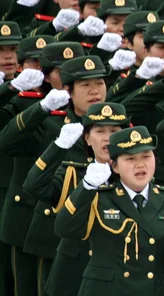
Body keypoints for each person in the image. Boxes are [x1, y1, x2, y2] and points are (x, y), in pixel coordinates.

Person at [55, 125, 164, 295]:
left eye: (146, 156)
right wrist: (86, 188)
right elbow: (65, 229)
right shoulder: (98, 197)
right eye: (130, 159)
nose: (140, 164)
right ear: (114, 166)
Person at [22, 102, 130, 296]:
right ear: (87, 138)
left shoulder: (136, 179)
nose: (107, 138)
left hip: (120, 277)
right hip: (74, 274)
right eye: (100, 131)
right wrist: (59, 146)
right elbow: (33, 185)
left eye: (114, 130)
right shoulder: (72, 174)